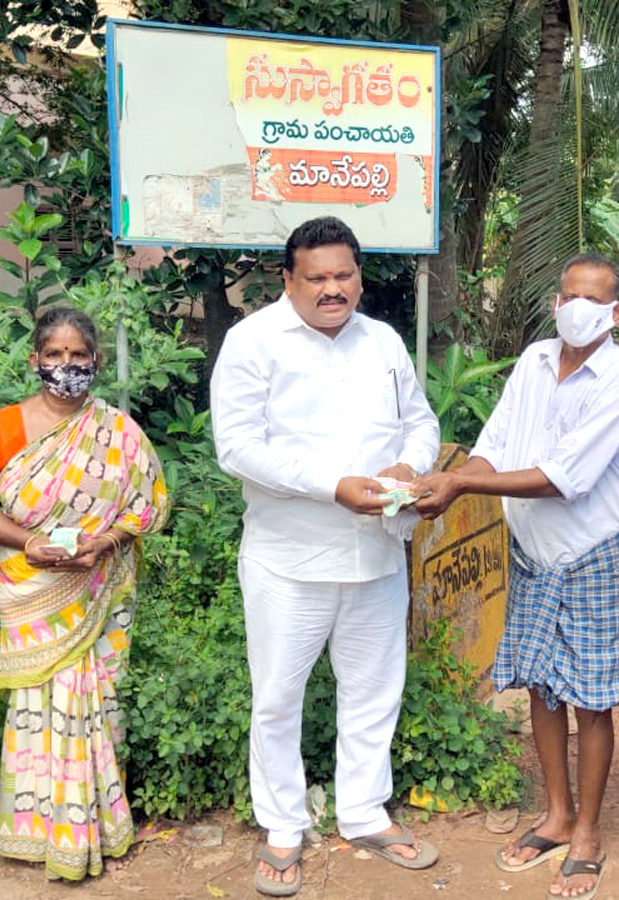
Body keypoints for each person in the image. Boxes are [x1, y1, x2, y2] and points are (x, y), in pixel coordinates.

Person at [210, 216, 441, 897]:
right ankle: (283, 825)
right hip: (290, 560)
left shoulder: (384, 342)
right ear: (288, 280)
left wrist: (408, 465)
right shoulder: (252, 342)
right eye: (316, 277)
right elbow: (237, 447)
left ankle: (364, 812)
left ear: (360, 278)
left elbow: (420, 420)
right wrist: (330, 486)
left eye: (343, 275)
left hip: (377, 553)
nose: (331, 289)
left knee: (373, 691)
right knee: (278, 699)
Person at [413, 253, 619, 900]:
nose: (578, 308)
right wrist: (459, 476)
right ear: (555, 302)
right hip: (533, 553)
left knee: (591, 699)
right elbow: (495, 445)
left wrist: (461, 485)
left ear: (616, 312)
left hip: (593, 553)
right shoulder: (534, 361)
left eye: (593, 299)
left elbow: (563, 478)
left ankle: (588, 832)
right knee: (543, 689)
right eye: (569, 295)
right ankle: (556, 814)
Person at [0, 307, 169, 881]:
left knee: (98, 699)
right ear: (35, 360)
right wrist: (30, 543)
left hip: (98, 586)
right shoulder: (5, 427)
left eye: (78, 355)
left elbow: (146, 506)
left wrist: (107, 541)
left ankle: (97, 822)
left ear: (96, 361)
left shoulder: (118, 432)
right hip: (32, 587)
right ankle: (38, 830)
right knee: (36, 703)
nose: (67, 365)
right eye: (54, 354)